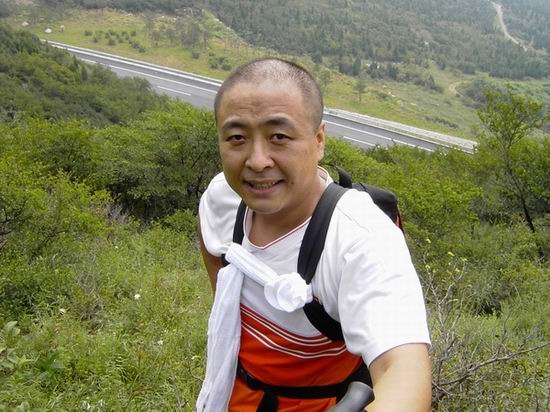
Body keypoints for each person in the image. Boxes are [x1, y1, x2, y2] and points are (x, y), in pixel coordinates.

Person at [198, 58, 431, 411]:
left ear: (319, 140)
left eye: (279, 137)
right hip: (233, 393)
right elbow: (217, 263)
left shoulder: (359, 238)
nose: (257, 161)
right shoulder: (222, 197)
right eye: (237, 138)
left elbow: (403, 370)